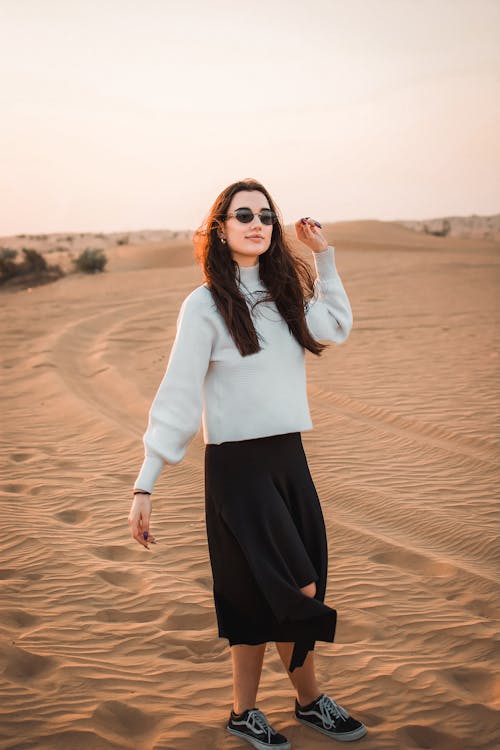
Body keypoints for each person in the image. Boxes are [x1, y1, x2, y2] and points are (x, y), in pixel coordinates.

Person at [128, 178, 367, 748]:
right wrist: (145, 484)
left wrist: (324, 258)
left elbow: (334, 326)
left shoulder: (286, 296)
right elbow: (179, 395)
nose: (257, 223)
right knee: (297, 586)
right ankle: (310, 701)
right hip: (237, 468)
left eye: (265, 215)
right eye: (243, 215)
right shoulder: (205, 304)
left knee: (254, 592)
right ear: (221, 229)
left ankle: (244, 713)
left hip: (288, 458)